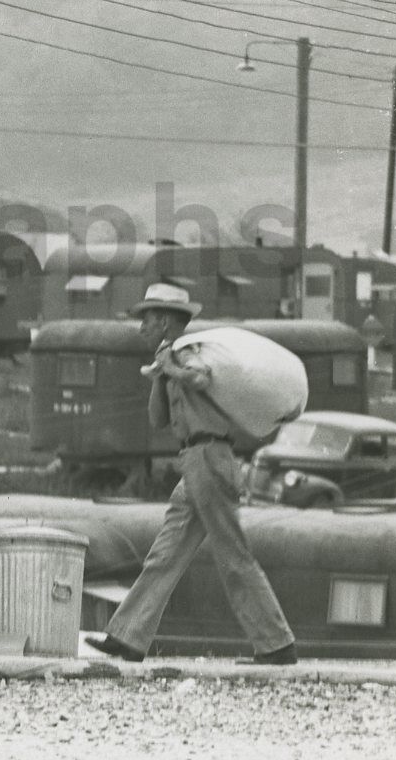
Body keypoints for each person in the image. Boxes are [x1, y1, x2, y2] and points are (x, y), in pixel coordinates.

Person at [90, 282, 298, 666]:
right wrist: (160, 378)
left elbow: (201, 378)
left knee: (232, 555)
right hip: (194, 463)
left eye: (148, 320)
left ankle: (276, 643)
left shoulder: (195, 351)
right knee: (164, 554)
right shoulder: (170, 356)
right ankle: (127, 637)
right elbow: (158, 421)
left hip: (210, 457)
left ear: (166, 321)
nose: (142, 328)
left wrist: (173, 369)